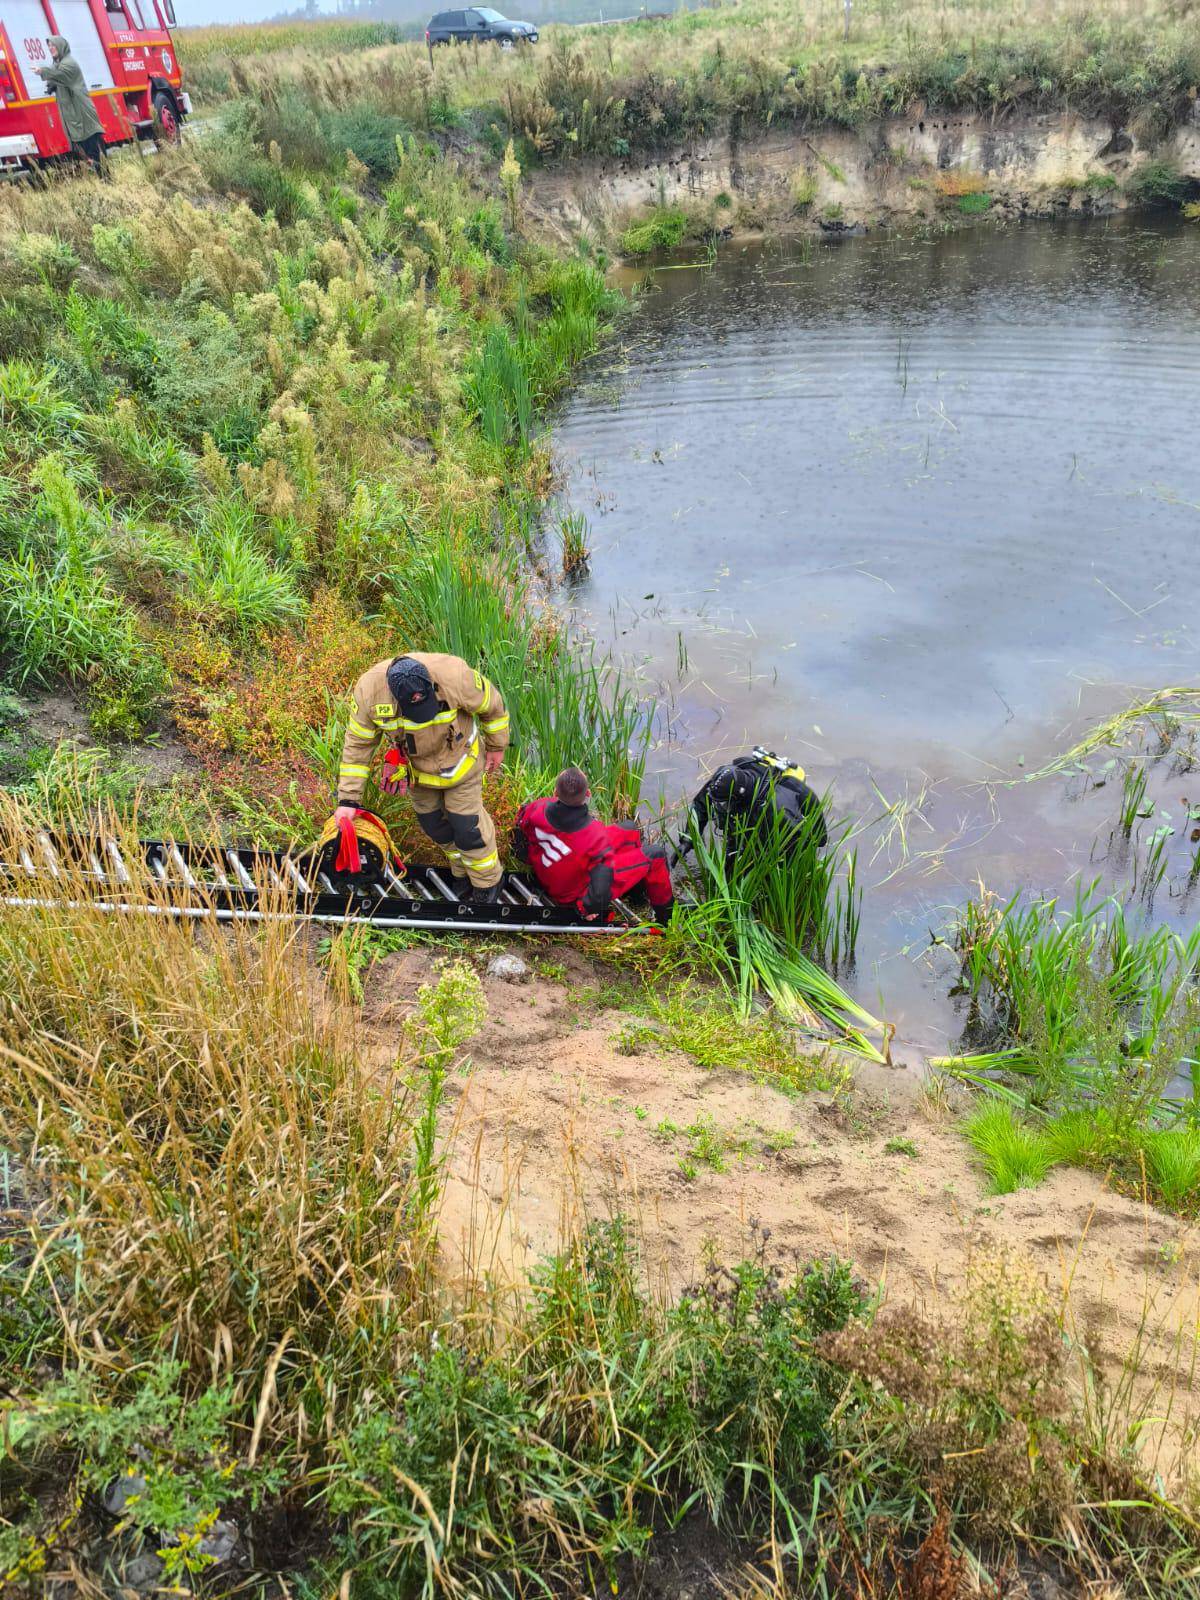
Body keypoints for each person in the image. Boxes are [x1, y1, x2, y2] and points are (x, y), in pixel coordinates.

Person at [334, 653, 510, 904]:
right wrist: (348, 800)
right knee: (434, 826)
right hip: (419, 774)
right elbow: (358, 746)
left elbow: (493, 706)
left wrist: (496, 746)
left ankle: (487, 883)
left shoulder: (455, 676)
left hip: (462, 764)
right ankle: (462, 873)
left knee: (467, 827)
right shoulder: (369, 694)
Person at [512, 766, 675, 925]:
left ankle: (637, 896)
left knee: (629, 829)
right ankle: (666, 919)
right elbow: (601, 886)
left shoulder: (538, 807)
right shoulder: (593, 833)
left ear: (555, 793)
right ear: (588, 794)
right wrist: (587, 908)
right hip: (571, 894)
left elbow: (518, 829)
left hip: (549, 871)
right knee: (656, 855)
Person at [684, 748, 827, 865]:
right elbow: (700, 805)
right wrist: (688, 839)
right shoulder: (722, 784)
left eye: (724, 804)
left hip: (772, 814)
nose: (719, 807)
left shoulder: (776, 808)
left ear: (738, 799)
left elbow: (803, 844)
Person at [33, 37, 107, 176]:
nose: (50, 48)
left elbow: (60, 75)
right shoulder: (58, 64)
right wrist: (51, 85)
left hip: (82, 114)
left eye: (53, 45)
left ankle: (107, 180)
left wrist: (42, 71)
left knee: (95, 152)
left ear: (61, 46)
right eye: (49, 46)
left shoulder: (69, 63)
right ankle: (103, 180)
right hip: (74, 116)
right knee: (86, 153)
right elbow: (56, 77)